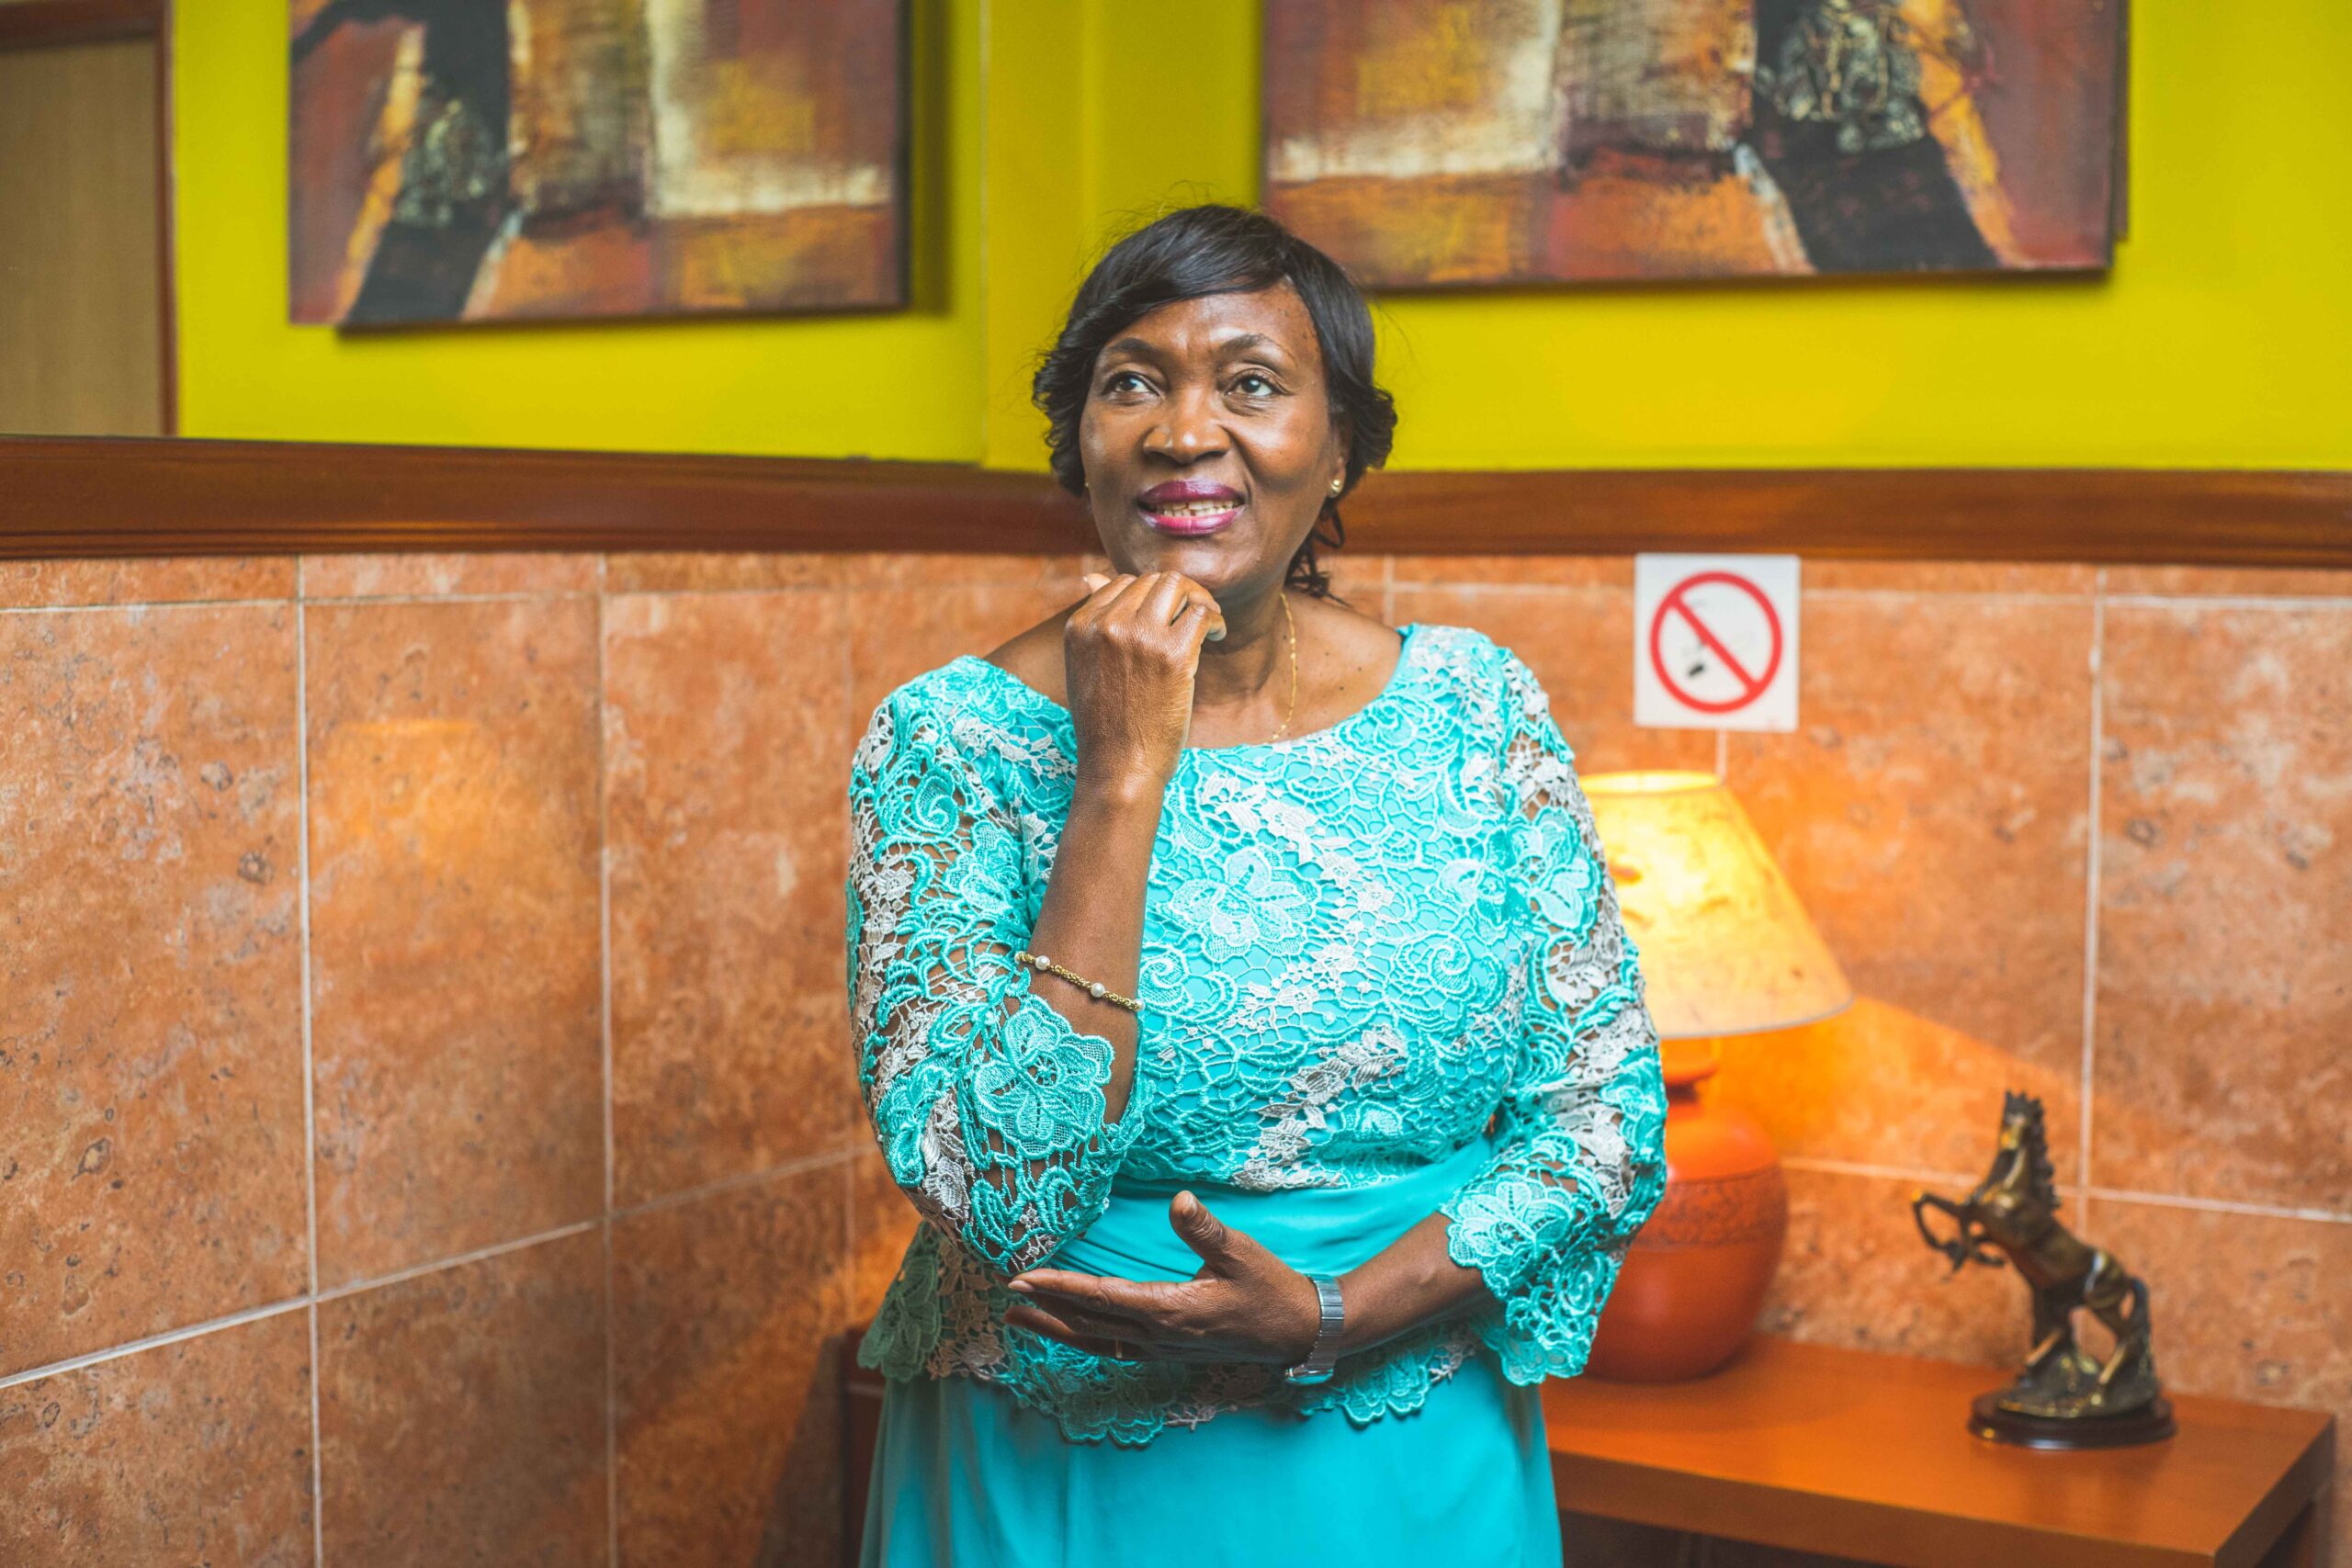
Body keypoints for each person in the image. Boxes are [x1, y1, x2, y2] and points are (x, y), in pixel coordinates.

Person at [845, 204, 1668, 1566]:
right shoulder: (948, 743)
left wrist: (1338, 1313)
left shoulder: (1475, 706)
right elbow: (996, 1198)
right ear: (1081, 442)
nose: (1185, 431)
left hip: (1413, 1457)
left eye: (1250, 382)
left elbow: (1604, 1124)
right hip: (1061, 1469)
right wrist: (1119, 778)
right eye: (1132, 384)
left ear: (1339, 446)